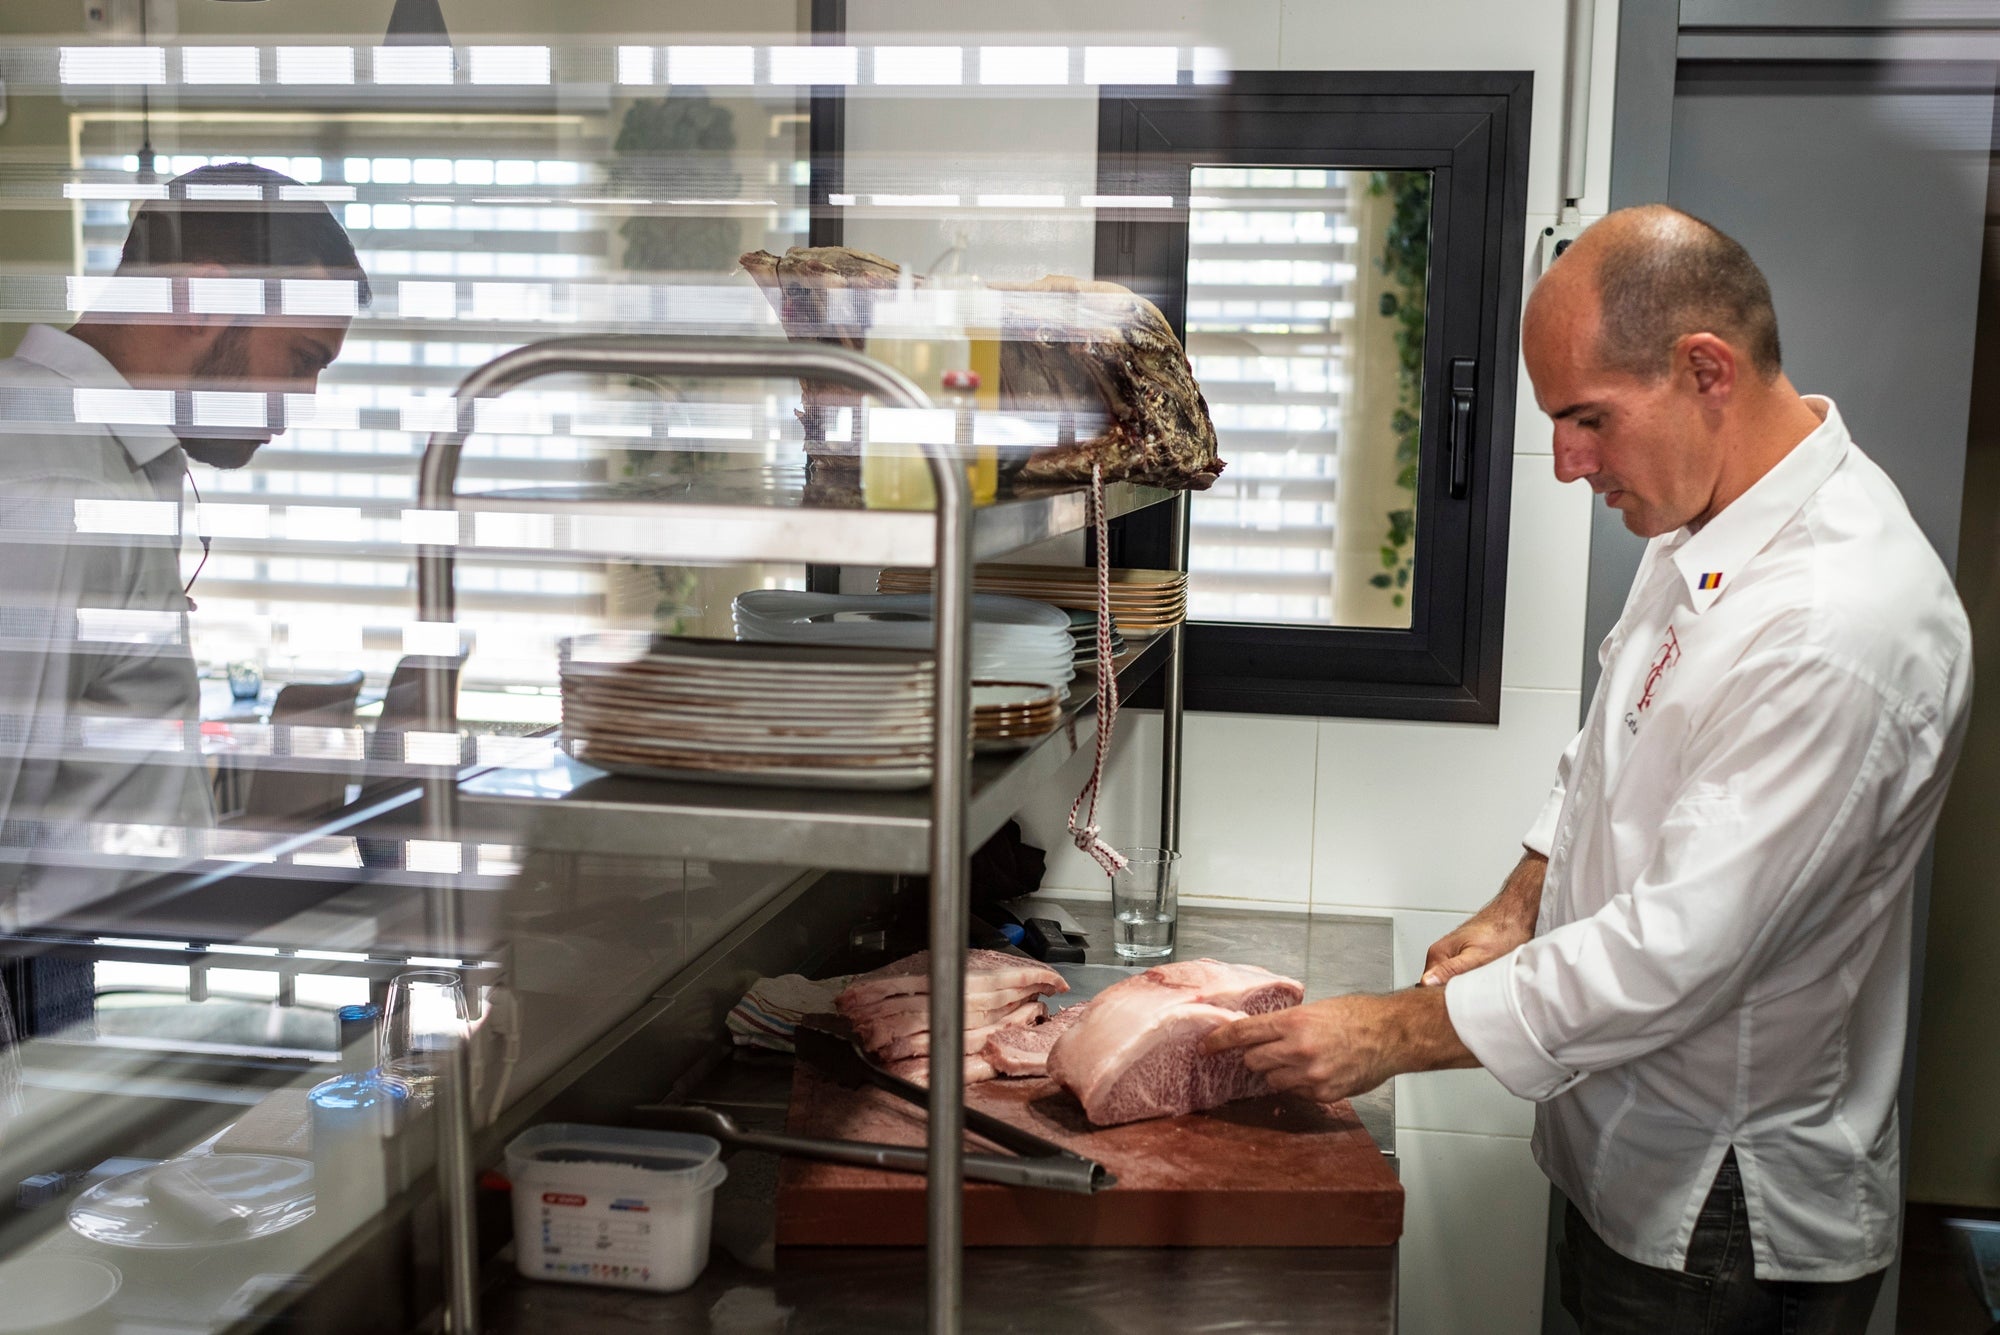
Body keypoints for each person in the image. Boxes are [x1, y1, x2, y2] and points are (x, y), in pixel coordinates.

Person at [1204, 205, 1973, 1333]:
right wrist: (1518, 902)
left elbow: (1677, 955)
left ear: (1703, 369)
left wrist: (1387, 1031)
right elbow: (1609, 738)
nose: (1567, 465)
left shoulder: (1835, 627)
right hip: (1630, 1152)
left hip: (1722, 1220)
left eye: (1586, 420)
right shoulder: (1707, 524)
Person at [0, 163, 361, 1027]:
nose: (298, 402)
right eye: (301, 360)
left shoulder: (99, 465)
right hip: (32, 981)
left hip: (84, 965)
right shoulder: (55, 488)